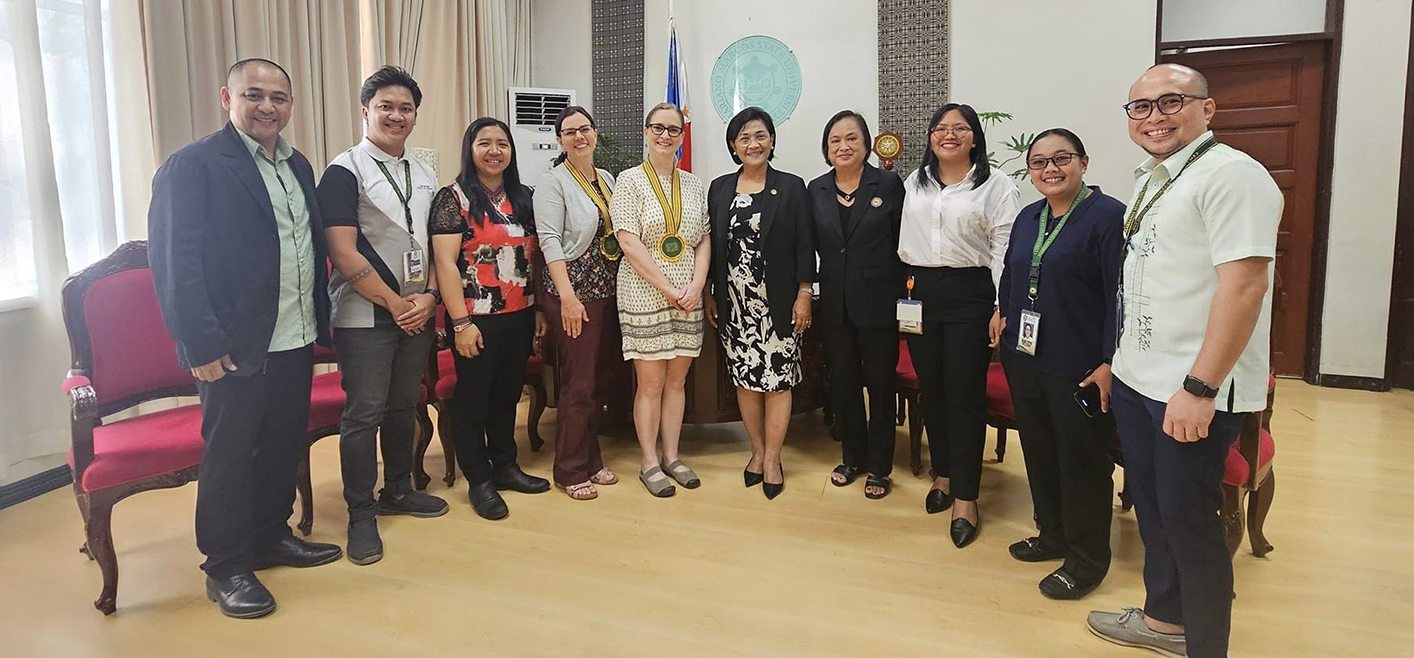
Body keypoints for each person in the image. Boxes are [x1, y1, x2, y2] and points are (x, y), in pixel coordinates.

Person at [1086, 64, 1282, 658]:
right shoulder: (1154, 178)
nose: (1155, 117)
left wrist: (1199, 387)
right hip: (1141, 378)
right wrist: (1118, 366)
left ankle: (1206, 647)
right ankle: (1165, 620)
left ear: (1208, 109)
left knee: (1192, 524)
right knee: (1154, 509)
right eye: (1140, 108)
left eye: (1171, 102)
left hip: (1191, 389)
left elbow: (1245, 287)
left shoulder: (1232, 177)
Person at [148, 58, 341, 619]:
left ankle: (269, 535)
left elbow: (305, 246)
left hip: (294, 333)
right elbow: (174, 262)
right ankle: (227, 565)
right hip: (232, 344)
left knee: (282, 441)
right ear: (226, 96)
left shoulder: (297, 164)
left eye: (279, 97)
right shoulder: (194, 166)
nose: (267, 106)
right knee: (230, 454)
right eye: (254, 95)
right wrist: (199, 344)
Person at [316, 66, 448, 566]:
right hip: (366, 313)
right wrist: (395, 304)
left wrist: (431, 297)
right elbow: (343, 253)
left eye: (406, 108)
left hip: (418, 308)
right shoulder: (344, 171)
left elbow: (438, 245)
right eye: (386, 107)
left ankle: (398, 488)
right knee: (363, 414)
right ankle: (360, 511)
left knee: (401, 406)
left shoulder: (425, 170)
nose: (397, 115)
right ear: (366, 111)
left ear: (415, 114)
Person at [996, 129, 1125, 599]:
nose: (1050, 169)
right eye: (1039, 162)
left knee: (1082, 461)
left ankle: (1088, 559)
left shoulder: (1107, 216)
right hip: (1026, 357)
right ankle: (1051, 534)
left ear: (1084, 162)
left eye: (1061, 159)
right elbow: (1012, 270)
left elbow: (1120, 293)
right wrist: (1003, 312)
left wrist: (1110, 359)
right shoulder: (1029, 216)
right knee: (1040, 451)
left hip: (1080, 364)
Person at [898, 103, 1020, 548]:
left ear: (974, 138)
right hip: (918, 292)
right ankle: (944, 474)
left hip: (971, 293)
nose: (948, 135)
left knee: (965, 396)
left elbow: (1006, 247)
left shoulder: (995, 185)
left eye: (960, 129)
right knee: (932, 389)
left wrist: (999, 305)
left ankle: (967, 497)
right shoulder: (916, 181)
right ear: (930, 136)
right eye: (940, 128)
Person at [429, 117, 551, 521]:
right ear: (471, 148)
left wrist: (535, 309)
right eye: (485, 143)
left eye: (502, 143)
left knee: (506, 397)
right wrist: (460, 323)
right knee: (473, 402)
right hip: (475, 319)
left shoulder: (524, 197)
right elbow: (445, 265)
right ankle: (479, 479)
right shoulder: (454, 198)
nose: (494, 150)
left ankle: (506, 467)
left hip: (518, 316)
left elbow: (533, 259)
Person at [705, 107, 815, 500]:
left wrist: (805, 293)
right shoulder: (719, 187)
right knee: (746, 380)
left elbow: (806, 243)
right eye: (744, 138)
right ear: (734, 146)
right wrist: (708, 294)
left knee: (778, 382)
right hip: (734, 303)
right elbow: (710, 247)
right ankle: (755, 451)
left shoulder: (791, 185)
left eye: (760, 135)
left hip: (780, 303)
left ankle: (773, 459)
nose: (753, 144)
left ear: (771, 140)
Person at [611, 102, 711, 498]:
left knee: (677, 381)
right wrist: (669, 290)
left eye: (673, 129)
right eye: (658, 128)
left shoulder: (694, 184)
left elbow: (703, 239)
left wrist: (697, 285)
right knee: (650, 383)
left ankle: (672, 455)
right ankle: (649, 461)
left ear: (682, 137)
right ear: (646, 132)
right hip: (644, 291)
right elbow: (628, 242)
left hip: (688, 292)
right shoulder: (629, 181)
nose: (665, 135)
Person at [809, 110, 906, 499]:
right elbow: (807, 245)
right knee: (844, 383)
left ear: (866, 144)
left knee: (881, 386)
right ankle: (853, 457)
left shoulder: (889, 183)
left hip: (879, 302)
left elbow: (904, 243)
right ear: (826, 149)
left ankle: (880, 466)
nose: (843, 146)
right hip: (834, 302)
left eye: (851, 138)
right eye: (835, 140)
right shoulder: (815, 189)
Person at [534, 106, 623, 501]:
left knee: (600, 381)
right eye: (570, 132)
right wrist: (567, 299)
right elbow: (550, 242)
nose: (579, 137)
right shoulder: (552, 182)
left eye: (584, 129)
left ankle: (591, 458)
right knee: (579, 384)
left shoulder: (606, 179)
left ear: (595, 133)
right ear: (560, 140)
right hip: (574, 296)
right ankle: (569, 468)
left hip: (606, 292)